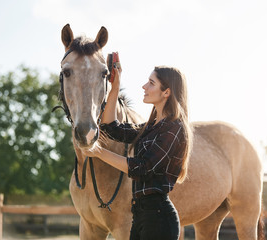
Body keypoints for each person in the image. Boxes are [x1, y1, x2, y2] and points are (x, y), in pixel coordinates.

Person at [80, 60, 192, 240]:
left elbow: (142, 167)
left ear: (166, 92)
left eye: (151, 83)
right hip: (140, 215)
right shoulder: (150, 127)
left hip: (158, 218)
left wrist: (98, 152)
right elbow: (110, 127)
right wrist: (114, 87)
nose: (144, 86)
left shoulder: (174, 128)